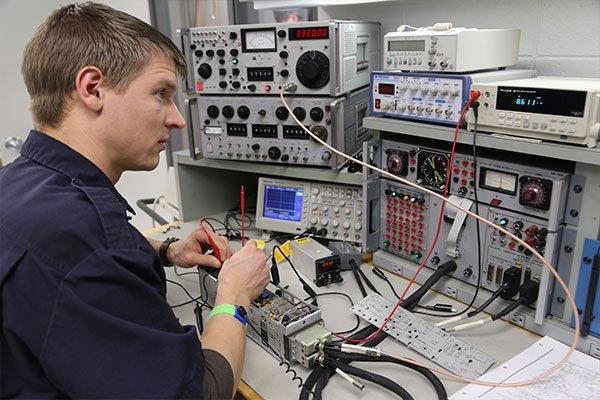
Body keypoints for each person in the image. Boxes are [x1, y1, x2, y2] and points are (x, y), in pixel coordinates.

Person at [0, 2, 270, 399]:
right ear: (92, 88)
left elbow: (75, 248)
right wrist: (234, 297)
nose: (177, 119)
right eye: (161, 93)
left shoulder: (22, 179)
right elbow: (200, 394)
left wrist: (168, 249)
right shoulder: (82, 242)